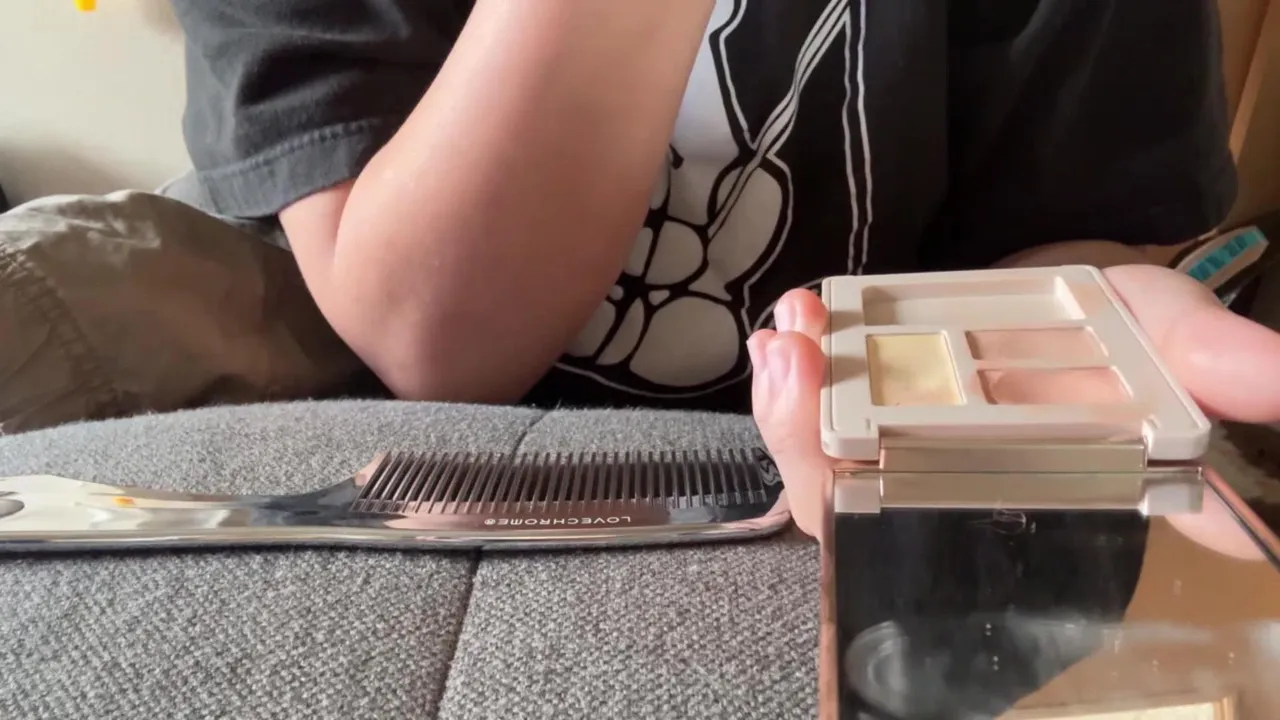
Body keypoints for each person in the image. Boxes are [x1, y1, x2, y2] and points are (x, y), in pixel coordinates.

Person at [3, 0, 1280, 542]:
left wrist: (1076, 320)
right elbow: (429, 338)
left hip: (839, 495)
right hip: (362, 428)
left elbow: (1072, 234)